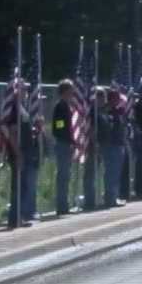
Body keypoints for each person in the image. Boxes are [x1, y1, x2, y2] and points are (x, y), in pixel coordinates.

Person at [3, 88, 40, 229]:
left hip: (26, 152)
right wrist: (18, 154)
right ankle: (14, 218)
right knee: (18, 186)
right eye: (21, 89)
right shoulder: (13, 111)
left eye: (25, 90)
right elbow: (12, 133)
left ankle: (20, 216)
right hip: (18, 153)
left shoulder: (23, 109)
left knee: (23, 186)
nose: (25, 92)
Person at [51, 79, 77, 215]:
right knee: (63, 175)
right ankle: (62, 206)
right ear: (64, 91)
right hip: (62, 143)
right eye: (70, 89)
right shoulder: (60, 106)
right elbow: (59, 126)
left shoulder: (67, 106)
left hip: (67, 142)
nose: (72, 92)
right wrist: (68, 140)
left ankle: (65, 203)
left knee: (67, 175)